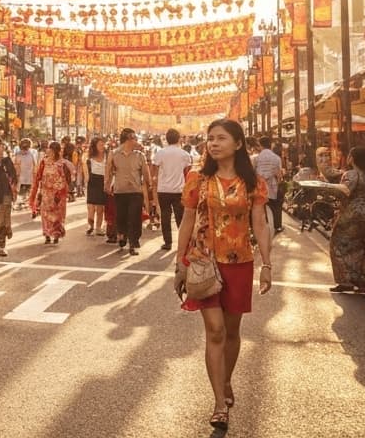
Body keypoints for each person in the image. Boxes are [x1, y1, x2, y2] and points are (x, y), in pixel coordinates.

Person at [174, 118, 273, 432]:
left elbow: (260, 223)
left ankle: (226, 379)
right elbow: (187, 221)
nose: (213, 143)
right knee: (215, 331)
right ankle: (219, 403)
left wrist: (267, 263)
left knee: (232, 332)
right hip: (203, 262)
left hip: (239, 261)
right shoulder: (197, 180)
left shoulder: (253, 182)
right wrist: (179, 262)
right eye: (210, 138)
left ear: (238, 144)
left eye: (220, 138)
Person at [326, 146, 365, 294]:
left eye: (349, 155)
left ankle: (346, 281)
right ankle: (364, 284)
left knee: (339, 243)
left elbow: (344, 192)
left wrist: (328, 189)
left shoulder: (351, 174)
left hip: (353, 214)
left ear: (352, 158)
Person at [108, 128, 152, 255]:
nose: (136, 141)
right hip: (119, 191)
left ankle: (133, 242)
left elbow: (146, 173)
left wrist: (149, 185)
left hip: (135, 191)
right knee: (121, 216)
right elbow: (109, 170)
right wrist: (107, 184)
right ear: (128, 140)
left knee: (134, 217)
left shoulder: (140, 156)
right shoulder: (114, 154)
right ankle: (122, 236)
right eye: (134, 139)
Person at [152, 128, 191, 251]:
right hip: (179, 189)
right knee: (180, 218)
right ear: (179, 139)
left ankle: (167, 242)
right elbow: (188, 172)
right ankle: (182, 243)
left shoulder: (160, 153)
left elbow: (155, 170)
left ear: (167, 139)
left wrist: (155, 183)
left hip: (163, 189)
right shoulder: (184, 154)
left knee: (165, 216)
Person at [29, 141, 72, 245]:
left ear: (56, 151)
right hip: (46, 193)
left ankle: (56, 234)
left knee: (57, 215)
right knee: (45, 214)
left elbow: (68, 178)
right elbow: (38, 176)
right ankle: (47, 235)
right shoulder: (44, 162)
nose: (49, 151)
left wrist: (65, 189)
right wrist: (36, 191)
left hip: (58, 194)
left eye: (52, 150)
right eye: (49, 149)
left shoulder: (63, 163)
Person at [85, 136, 108, 236]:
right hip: (93, 182)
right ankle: (90, 225)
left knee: (100, 208)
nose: (102, 146)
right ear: (95, 146)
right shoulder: (89, 158)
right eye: (100, 145)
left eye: (103, 144)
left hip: (103, 181)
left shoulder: (107, 156)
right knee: (91, 207)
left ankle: (98, 227)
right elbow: (86, 172)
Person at [13, 138, 37, 211]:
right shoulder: (32, 154)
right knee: (27, 193)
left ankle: (22, 204)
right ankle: (27, 205)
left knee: (22, 194)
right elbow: (35, 166)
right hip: (29, 178)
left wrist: (16, 177)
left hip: (22, 179)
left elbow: (16, 167)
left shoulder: (18, 155)